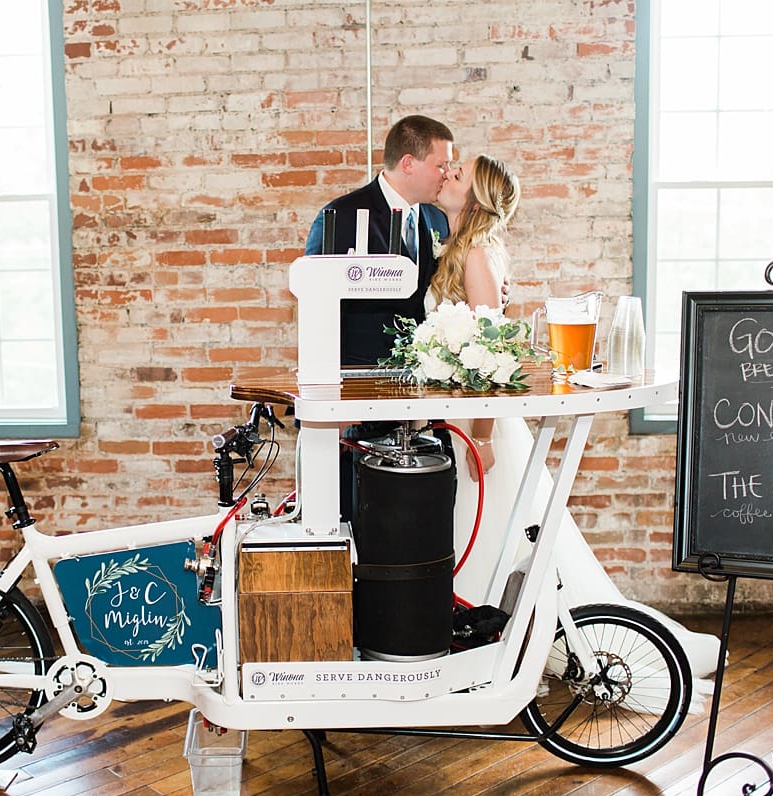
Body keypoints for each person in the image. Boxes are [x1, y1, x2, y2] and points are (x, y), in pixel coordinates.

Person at [431, 153, 720, 680]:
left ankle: (498, 656)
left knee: (494, 535)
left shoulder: (474, 256)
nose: (448, 173)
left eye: (460, 173)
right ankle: (493, 650)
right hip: (458, 423)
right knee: (487, 535)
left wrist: (483, 435)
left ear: (476, 198)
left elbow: (487, 358)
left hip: (478, 427)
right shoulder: (462, 250)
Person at [305, 114, 455, 366]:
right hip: (358, 373)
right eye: (442, 165)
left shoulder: (438, 219)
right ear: (408, 163)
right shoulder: (341, 216)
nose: (447, 174)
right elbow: (315, 299)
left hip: (424, 370)